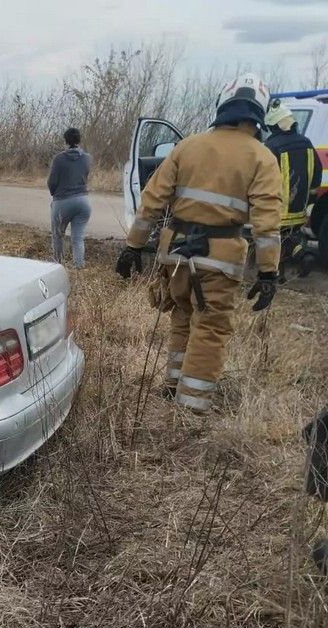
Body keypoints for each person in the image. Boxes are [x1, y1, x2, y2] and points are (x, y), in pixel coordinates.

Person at [115, 73, 283, 413]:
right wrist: (268, 273)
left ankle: (173, 384)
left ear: (223, 105)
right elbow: (267, 224)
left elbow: (151, 201)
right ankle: (190, 407)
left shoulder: (186, 146)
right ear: (259, 113)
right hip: (220, 259)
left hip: (175, 252)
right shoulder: (262, 157)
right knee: (210, 328)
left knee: (181, 315)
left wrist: (133, 246)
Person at [263, 101, 323, 281]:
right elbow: (317, 173)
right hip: (300, 209)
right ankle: (304, 256)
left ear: (274, 126)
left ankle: (277, 274)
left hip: (278, 209)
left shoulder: (271, 146)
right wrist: (310, 202)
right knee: (291, 238)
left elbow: (264, 178)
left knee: (275, 241)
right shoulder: (306, 143)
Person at [47, 128, 92, 268]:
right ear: (79, 140)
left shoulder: (59, 159)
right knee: (77, 238)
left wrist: (55, 195)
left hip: (63, 202)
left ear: (65, 141)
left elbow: (52, 182)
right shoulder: (87, 158)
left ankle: (57, 265)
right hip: (83, 202)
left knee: (57, 235)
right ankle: (79, 266)